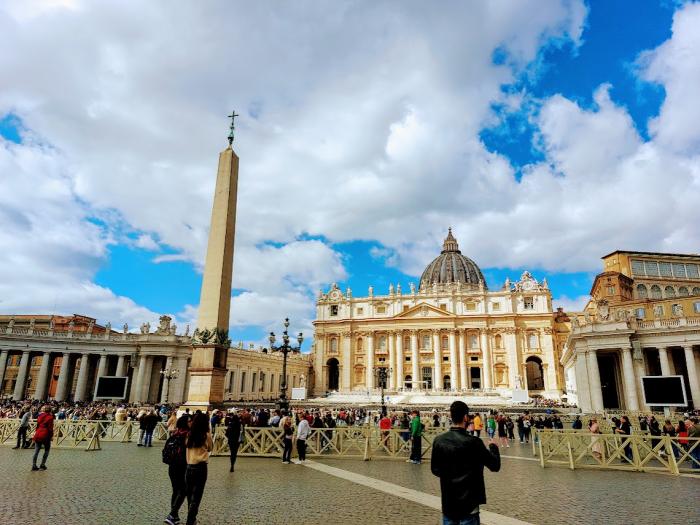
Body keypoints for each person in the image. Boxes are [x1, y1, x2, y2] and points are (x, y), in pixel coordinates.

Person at [431, 401, 500, 525]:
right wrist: (494, 447)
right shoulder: (475, 442)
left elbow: (435, 469)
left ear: (451, 417)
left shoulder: (439, 440)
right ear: (465, 417)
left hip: (449, 502)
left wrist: (451, 475)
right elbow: (495, 466)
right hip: (469, 503)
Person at [184, 412, 213, 525]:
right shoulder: (206, 435)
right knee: (197, 496)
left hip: (189, 467)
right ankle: (190, 520)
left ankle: (191, 517)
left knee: (190, 495)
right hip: (201, 468)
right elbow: (210, 448)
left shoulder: (189, 435)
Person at [164, 415, 190, 525]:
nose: (191, 423)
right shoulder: (187, 436)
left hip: (172, 466)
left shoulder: (174, 435)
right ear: (185, 423)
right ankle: (173, 514)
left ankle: (174, 516)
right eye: (189, 421)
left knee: (176, 490)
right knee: (183, 490)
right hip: (182, 466)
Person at [32, 405, 54, 471]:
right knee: (46, 450)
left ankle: (34, 465)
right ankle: (42, 465)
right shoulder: (50, 417)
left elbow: (37, 425)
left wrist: (36, 433)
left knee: (36, 451)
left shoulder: (40, 416)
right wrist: (51, 436)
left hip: (38, 433)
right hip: (45, 434)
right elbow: (50, 428)